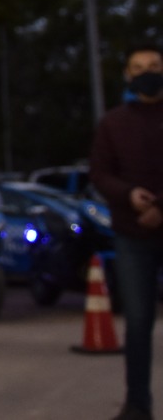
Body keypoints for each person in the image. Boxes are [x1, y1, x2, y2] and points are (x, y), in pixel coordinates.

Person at [90, 43, 163, 420]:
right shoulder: (113, 123)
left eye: (154, 65)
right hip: (132, 235)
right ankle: (137, 404)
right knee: (137, 323)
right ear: (127, 75)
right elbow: (101, 174)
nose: (147, 72)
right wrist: (130, 196)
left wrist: (159, 206)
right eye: (138, 67)